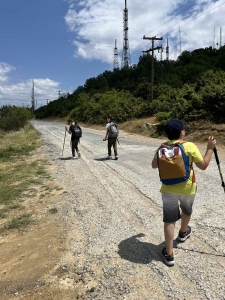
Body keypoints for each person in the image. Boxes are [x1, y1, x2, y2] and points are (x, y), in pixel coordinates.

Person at [151, 118, 216, 266]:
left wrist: (162, 152)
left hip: (168, 189)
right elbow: (204, 165)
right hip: (188, 187)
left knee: (169, 219)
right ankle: (183, 232)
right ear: (182, 133)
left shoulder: (161, 148)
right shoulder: (189, 146)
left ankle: (168, 253)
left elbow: (154, 165)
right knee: (187, 209)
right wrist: (210, 148)